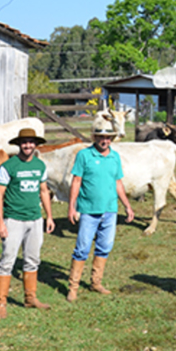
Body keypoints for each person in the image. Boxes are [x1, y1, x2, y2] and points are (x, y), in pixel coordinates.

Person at [66, 114, 134, 302]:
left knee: (104, 247)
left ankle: (96, 282)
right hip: (88, 210)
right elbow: (76, 181)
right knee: (82, 248)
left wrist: (127, 206)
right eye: (101, 137)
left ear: (111, 139)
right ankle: (73, 287)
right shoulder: (84, 155)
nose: (104, 140)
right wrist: (72, 207)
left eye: (108, 137)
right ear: (95, 138)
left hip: (110, 210)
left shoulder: (114, 157)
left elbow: (118, 182)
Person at [0, 127, 55, 319]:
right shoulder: (8, 166)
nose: (28, 145)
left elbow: (44, 191)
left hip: (35, 219)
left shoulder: (40, 166)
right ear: (19, 144)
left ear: (36, 144)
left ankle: (30, 298)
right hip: (13, 220)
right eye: (24, 142)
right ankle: (1, 303)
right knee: (8, 261)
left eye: (31, 142)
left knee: (33, 260)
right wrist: (0, 222)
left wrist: (49, 216)